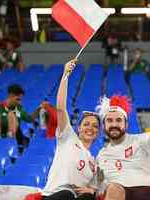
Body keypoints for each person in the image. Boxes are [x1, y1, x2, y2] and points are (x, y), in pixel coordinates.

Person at [36, 59, 100, 200]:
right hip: (54, 196)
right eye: (86, 124)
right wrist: (65, 75)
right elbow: (60, 108)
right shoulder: (69, 137)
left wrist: (92, 189)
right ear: (78, 128)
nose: (90, 128)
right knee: (67, 194)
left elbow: (100, 182)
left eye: (95, 126)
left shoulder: (94, 161)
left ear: (98, 134)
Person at [96, 95, 150, 200]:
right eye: (110, 120)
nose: (114, 124)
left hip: (148, 191)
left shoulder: (142, 140)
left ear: (126, 125)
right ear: (104, 126)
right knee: (113, 189)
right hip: (120, 193)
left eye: (119, 120)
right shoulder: (100, 156)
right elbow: (98, 183)